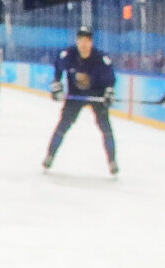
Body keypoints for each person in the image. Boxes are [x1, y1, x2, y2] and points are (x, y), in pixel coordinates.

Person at [43, 22, 118, 176]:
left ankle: (112, 161)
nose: (84, 44)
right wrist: (57, 85)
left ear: (91, 42)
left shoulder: (101, 58)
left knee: (106, 128)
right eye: (81, 40)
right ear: (77, 41)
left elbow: (110, 78)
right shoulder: (68, 55)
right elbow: (57, 69)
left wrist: (109, 92)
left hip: (97, 93)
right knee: (63, 125)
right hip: (75, 94)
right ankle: (50, 155)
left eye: (87, 40)